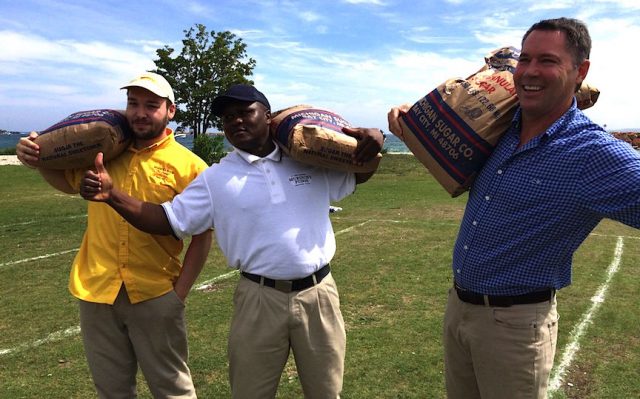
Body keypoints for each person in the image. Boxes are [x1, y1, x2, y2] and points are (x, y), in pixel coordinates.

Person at [78, 84, 385, 398]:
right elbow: (167, 219)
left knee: (326, 393)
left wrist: (372, 145)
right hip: (257, 299)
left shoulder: (309, 159)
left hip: (319, 295)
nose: (235, 121)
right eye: (227, 117)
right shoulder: (216, 179)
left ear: (267, 116)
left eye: (244, 112)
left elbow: (355, 175)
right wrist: (111, 195)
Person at [388, 17, 640, 399]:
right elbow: (444, 139)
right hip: (459, 310)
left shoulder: (593, 153)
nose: (530, 72)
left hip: (516, 328)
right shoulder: (498, 128)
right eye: (525, 60)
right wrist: (407, 124)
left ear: (580, 71)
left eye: (548, 61)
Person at [16, 72, 212, 399]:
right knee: (112, 390)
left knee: (173, 389)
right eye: (133, 103)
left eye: (151, 105)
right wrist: (35, 157)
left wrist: (179, 294)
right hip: (96, 290)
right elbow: (65, 182)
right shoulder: (103, 153)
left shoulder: (189, 166)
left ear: (170, 111)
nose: (140, 112)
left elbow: (202, 236)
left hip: (154, 292)